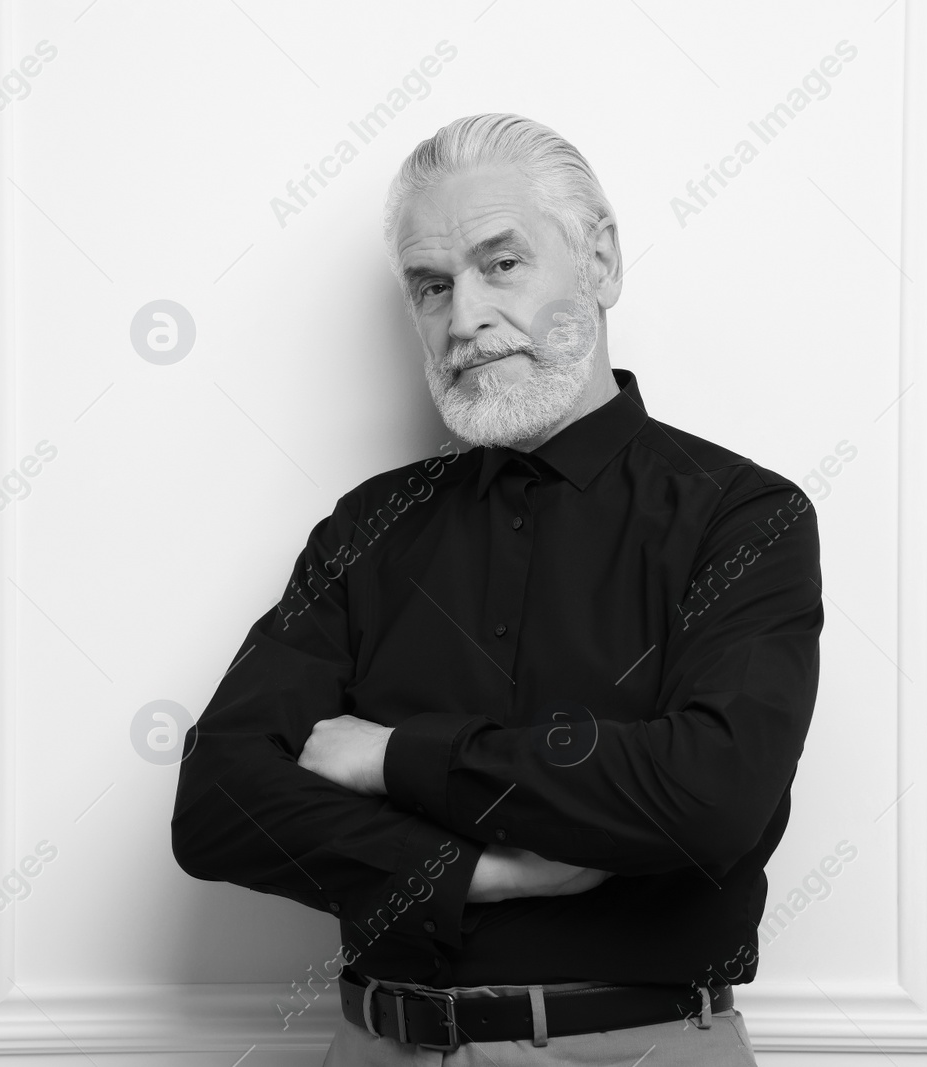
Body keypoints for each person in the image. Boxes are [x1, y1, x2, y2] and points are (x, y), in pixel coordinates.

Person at [171, 113, 823, 1066]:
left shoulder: (745, 516)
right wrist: (474, 872)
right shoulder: (369, 526)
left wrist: (395, 756)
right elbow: (220, 801)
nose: (463, 316)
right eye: (430, 285)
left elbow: (706, 795)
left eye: (501, 264)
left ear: (599, 262)